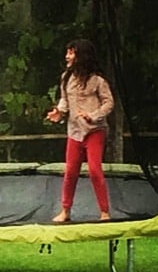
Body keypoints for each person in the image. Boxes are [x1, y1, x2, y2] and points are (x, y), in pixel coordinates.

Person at [46, 38, 114, 222]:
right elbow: (65, 101)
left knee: (94, 169)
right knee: (71, 171)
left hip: (94, 131)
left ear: (81, 56)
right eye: (67, 52)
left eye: (71, 53)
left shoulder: (97, 81)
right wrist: (59, 112)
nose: (67, 56)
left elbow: (109, 103)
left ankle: (105, 212)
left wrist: (93, 115)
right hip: (74, 132)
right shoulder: (66, 78)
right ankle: (65, 211)